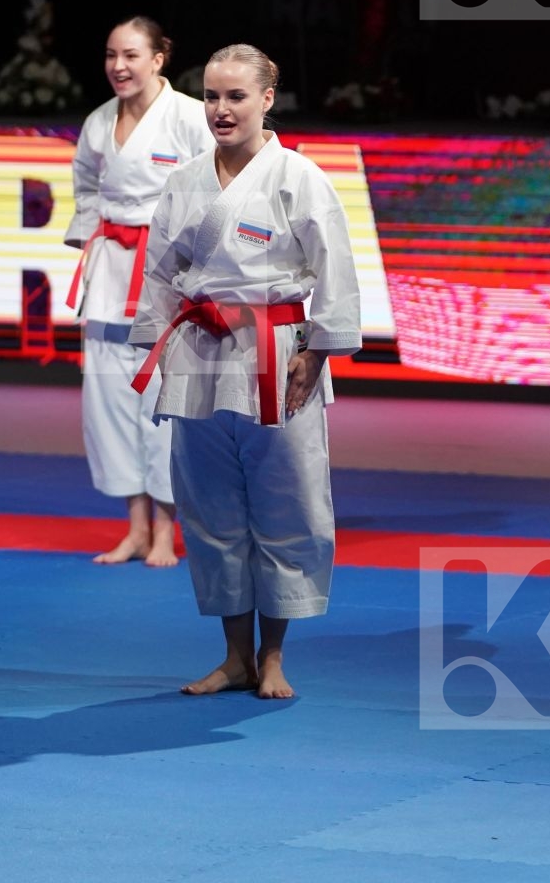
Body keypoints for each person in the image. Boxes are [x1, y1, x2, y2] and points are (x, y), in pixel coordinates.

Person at [128, 43, 362, 698]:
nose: (221, 110)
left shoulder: (298, 176)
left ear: (267, 98)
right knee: (210, 506)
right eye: (211, 96)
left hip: (276, 348)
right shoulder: (186, 180)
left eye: (236, 97)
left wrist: (316, 351)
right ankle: (234, 657)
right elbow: (159, 271)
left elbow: (335, 269)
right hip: (201, 352)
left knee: (286, 498)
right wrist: (159, 346)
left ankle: (276, 657)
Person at [64, 17, 215, 568]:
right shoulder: (99, 121)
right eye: (110, 55)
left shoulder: (187, 119)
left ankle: (166, 531)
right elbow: (84, 185)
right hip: (109, 271)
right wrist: (89, 238)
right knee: (108, 397)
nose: (118, 66)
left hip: (166, 270)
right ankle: (132, 526)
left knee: (161, 400)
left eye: (130, 54)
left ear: (159, 58)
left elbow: (216, 186)